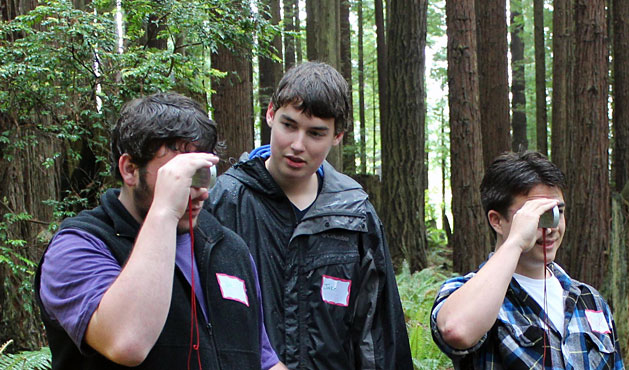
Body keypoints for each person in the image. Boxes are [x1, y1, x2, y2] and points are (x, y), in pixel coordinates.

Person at [35, 92, 285, 369]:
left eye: (203, 173)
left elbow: (263, 359)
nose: (199, 191)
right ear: (130, 170)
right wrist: (165, 210)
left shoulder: (228, 247)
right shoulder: (78, 247)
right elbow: (126, 341)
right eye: (177, 175)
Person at [205, 61, 413, 370]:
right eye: (289, 125)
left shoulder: (354, 213)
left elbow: (380, 331)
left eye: (316, 133)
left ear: (337, 136)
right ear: (271, 114)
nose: (297, 145)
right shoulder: (225, 202)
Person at [430, 151, 625, 369]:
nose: (551, 228)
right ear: (497, 221)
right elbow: (456, 330)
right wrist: (516, 241)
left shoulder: (590, 300)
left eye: (557, 212)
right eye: (536, 215)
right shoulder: (466, 292)